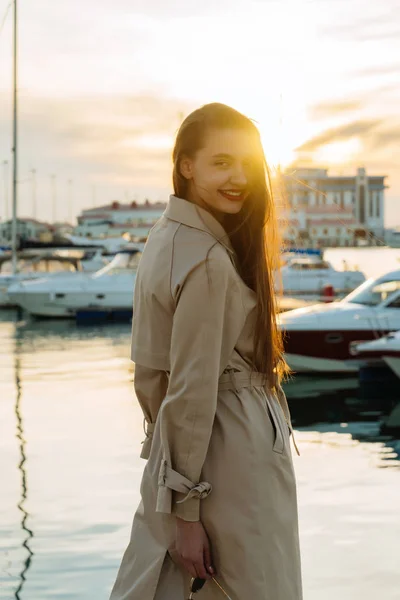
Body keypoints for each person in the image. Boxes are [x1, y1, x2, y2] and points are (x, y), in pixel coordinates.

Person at [109, 103, 302, 600]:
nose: (238, 178)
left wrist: (172, 487)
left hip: (184, 457)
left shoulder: (166, 235)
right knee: (250, 586)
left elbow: (157, 379)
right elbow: (190, 392)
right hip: (225, 452)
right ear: (186, 165)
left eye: (247, 164)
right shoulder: (209, 260)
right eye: (221, 163)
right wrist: (187, 511)